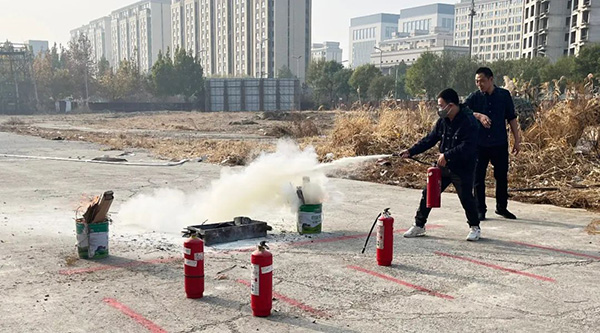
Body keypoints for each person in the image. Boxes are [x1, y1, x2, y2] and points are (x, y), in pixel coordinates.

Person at [397, 88, 481, 241]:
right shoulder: (443, 121)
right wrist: (411, 151)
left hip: (462, 167)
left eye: (441, 105)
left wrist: (448, 155)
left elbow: (468, 146)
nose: (439, 109)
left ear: (451, 105)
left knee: (466, 197)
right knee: (428, 192)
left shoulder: (469, 121)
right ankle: (419, 225)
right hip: (443, 167)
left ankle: (475, 227)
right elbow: (430, 139)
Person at [465, 67, 521, 221]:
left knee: (501, 176)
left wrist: (517, 140)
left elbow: (512, 118)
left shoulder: (504, 95)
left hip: (499, 143)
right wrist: (478, 115)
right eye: (477, 81)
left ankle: (501, 207)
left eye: (482, 80)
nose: (479, 84)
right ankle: (480, 209)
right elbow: (462, 110)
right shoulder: (474, 97)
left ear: (491, 79)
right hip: (479, 144)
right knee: (478, 177)